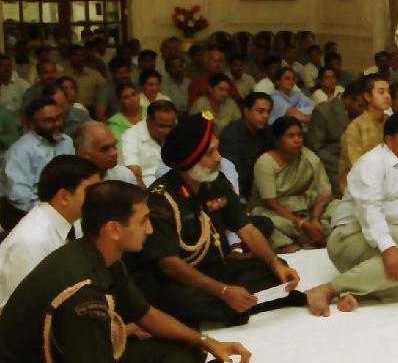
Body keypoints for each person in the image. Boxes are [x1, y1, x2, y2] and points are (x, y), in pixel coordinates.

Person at [0, 181, 253, 363]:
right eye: (143, 221)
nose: (150, 230)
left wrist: (207, 342)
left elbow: (146, 315)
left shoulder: (100, 254)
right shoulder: (82, 295)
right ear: (113, 229)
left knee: (186, 348)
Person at [129, 114, 307, 328]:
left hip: (217, 267)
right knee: (186, 301)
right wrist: (222, 291)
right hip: (179, 280)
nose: (218, 158)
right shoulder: (161, 199)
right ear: (190, 159)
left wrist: (275, 263)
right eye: (210, 153)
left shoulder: (216, 182)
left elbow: (246, 228)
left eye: (217, 150)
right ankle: (234, 306)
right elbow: (170, 266)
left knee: (276, 271)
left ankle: (236, 305)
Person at [306, 111, 398, 314]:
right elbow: (369, 211)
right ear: (389, 141)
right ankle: (328, 290)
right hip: (350, 236)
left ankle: (359, 291)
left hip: (397, 236)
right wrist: (388, 248)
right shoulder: (371, 164)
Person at [0, 156, 100, 336]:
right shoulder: (32, 240)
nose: (98, 198)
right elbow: (34, 309)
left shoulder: (73, 222)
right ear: (64, 196)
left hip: (54, 313)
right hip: (13, 332)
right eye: (91, 192)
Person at [251, 116, 333, 250]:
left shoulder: (308, 157)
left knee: (339, 207)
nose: (297, 140)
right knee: (269, 223)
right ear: (277, 140)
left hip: (305, 208)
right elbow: (271, 202)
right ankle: (302, 241)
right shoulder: (265, 162)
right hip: (274, 211)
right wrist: (301, 224)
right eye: (290, 136)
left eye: (300, 135)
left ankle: (312, 234)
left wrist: (315, 219)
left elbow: (325, 192)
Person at [0, 97, 76, 231]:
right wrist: (50, 215)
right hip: (22, 210)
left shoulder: (67, 142)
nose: (56, 124)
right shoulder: (20, 150)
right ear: (32, 125)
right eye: (48, 121)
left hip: (58, 205)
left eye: (58, 118)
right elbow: (19, 196)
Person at [307, 78, 362, 192]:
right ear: (348, 99)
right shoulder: (323, 112)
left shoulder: (361, 112)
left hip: (359, 161)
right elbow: (317, 148)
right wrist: (342, 164)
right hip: (332, 164)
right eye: (360, 106)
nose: (363, 110)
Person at [341, 75, 392, 191]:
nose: (387, 96)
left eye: (388, 92)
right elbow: (356, 166)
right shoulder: (354, 128)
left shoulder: (391, 122)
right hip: (361, 187)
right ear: (367, 97)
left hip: (390, 180)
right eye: (381, 92)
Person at [220, 92, 274, 199]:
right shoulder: (231, 134)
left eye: (268, 112)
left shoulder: (269, 131)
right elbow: (233, 174)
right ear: (246, 111)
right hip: (235, 192)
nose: (266, 116)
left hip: (261, 188)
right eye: (260, 111)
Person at [122, 100, 178, 188]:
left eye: (170, 126)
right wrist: (146, 195)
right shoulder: (131, 136)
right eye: (162, 126)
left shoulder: (176, 131)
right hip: (146, 190)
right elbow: (134, 175)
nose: (167, 131)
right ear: (148, 120)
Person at [92, 57, 134, 121]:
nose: (123, 75)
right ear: (112, 74)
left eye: (126, 71)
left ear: (130, 72)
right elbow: (100, 114)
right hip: (114, 124)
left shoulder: (136, 86)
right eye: (119, 73)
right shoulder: (105, 88)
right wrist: (112, 126)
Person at [66, 45, 104, 110]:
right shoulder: (64, 75)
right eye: (76, 55)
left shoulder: (94, 74)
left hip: (91, 109)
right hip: (70, 109)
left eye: (82, 55)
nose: (80, 58)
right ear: (70, 57)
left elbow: (104, 90)